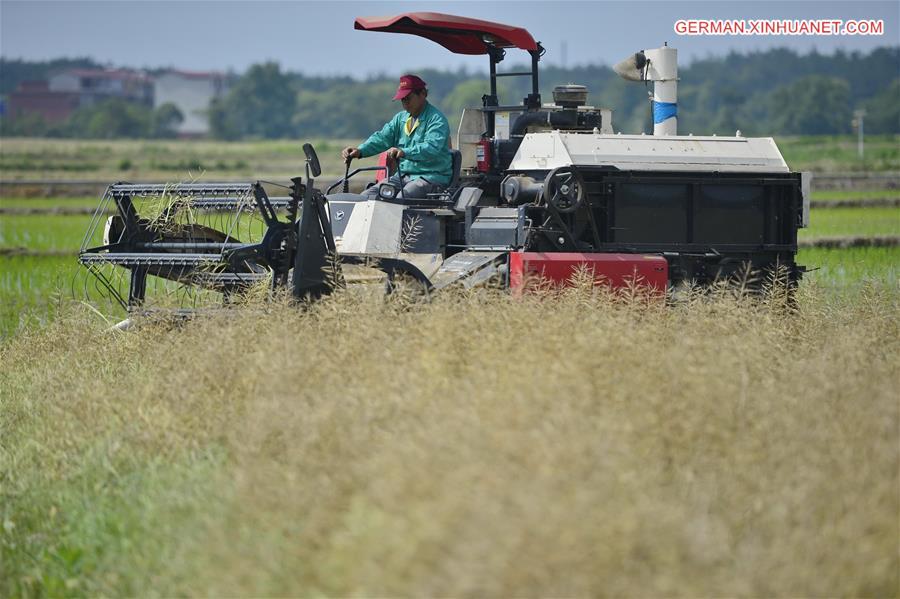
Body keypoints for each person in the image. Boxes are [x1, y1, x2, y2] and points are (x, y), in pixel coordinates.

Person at [341, 74, 452, 199]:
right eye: (402, 100)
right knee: (367, 196)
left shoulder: (436, 120)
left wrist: (404, 152)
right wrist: (360, 150)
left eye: (408, 98)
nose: (405, 103)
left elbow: (431, 147)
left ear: (423, 94)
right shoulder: (400, 118)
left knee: (400, 199)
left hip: (431, 177)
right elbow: (382, 138)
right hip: (404, 176)